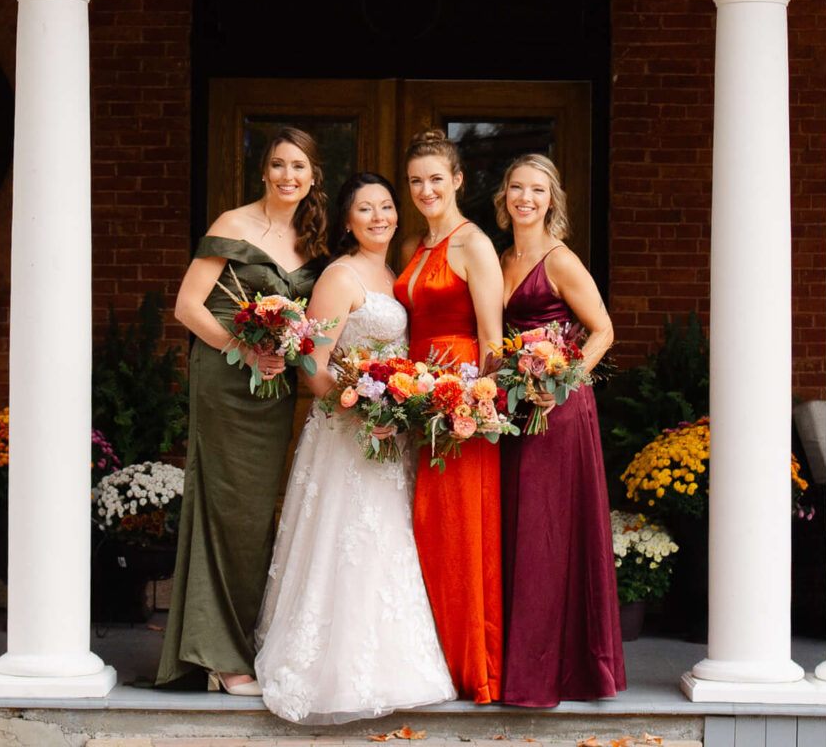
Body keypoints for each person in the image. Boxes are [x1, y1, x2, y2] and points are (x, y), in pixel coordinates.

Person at [253, 172, 456, 725]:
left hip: (391, 435)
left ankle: (395, 665)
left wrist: (399, 407)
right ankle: (331, 669)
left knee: (387, 541)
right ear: (347, 220)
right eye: (365, 209)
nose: (379, 217)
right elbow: (312, 366)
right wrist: (363, 407)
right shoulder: (340, 276)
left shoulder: (397, 272)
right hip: (347, 435)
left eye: (386, 207)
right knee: (347, 542)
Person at [156, 127, 326, 694]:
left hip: (272, 390)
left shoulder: (310, 241)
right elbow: (187, 305)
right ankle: (222, 657)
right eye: (278, 165)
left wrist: (288, 351)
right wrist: (240, 347)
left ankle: (246, 643)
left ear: (312, 176)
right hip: (225, 382)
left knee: (256, 519)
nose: (287, 176)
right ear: (263, 172)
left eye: (298, 167)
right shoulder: (232, 224)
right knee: (226, 508)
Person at [496, 153, 625, 707]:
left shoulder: (560, 259)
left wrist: (566, 378)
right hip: (512, 409)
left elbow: (602, 330)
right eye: (517, 188)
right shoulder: (501, 256)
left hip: (557, 407)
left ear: (552, 201)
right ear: (503, 197)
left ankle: (555, 672)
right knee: (516, 529)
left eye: (538, 190)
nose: (527, 198)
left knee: (550, 533)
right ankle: (513, 663)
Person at [397, 127, 506, 704]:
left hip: (461, 403)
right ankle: (432, 658)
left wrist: (476, 406)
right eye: (416, 180)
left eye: (436, 178)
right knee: (427, 531)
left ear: (458, 179)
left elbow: (492, 338)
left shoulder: (473, 244)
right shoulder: (418, 244)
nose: (426, 189)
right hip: (420, 403)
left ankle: (473, 668)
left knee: (460, 533)